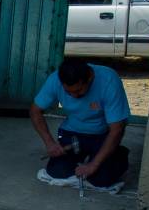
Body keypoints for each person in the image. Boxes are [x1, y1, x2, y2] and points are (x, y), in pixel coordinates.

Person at [30, 58, 130, 189]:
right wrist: (50, 143)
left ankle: (116, 153)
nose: (73, 96)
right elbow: (35, 111)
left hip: (101, 135)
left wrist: (93, 165)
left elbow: (117, 129)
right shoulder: (55, 79)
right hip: (72, 134)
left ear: (89, 78)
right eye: (68, 92)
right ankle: (85, 158)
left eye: (78, 91)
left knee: (102, 178)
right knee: (57, 172)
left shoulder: (109, 80)